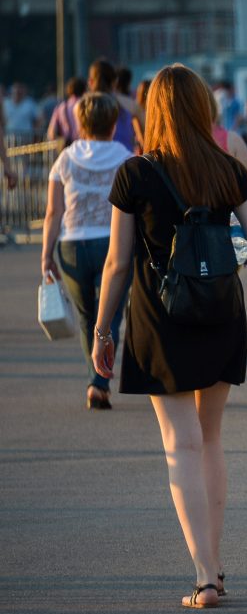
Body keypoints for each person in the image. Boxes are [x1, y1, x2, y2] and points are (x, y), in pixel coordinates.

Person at [91, 63, 247, 608]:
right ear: (202, 108)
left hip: (160, 317)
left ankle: (206, 575)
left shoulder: (136, 173)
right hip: (220, 313)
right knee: (210, 440)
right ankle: (215, 566)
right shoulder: (227, 167)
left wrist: (104, 330)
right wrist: (216, 261)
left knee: (180, 445)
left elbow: (117, 265)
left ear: (154, 111)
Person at [41, 92, 133, 410]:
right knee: (111, 316)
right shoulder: (124, 156)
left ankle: (95, 377)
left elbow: (53, 212)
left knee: (86, 318)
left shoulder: (65, 158)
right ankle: (100, 383)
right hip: (112, 243)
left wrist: (45, 255)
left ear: (81, 123)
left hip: (71, 246)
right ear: (112, 124)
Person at [87, 59, 142, 153]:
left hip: (92, 161)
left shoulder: (84, 108)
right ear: (115, 82)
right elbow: (143, 136)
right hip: (125, 161)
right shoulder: (128, 105)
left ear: (90, 82)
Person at [47, 77, 87, 147]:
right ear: (84, 90)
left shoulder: (61, 107)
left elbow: (51, 133)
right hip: (84, 146)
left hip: (68, 146)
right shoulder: (86, 105)